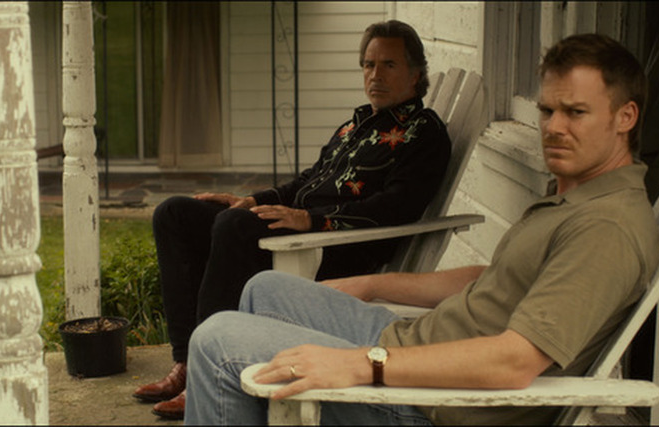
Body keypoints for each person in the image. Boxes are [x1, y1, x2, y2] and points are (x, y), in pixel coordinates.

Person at [184, 33, 659, 425]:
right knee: (266, 289)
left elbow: (515, 361)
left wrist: (360, 364)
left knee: (218, 342)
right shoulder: (577, 195)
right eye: (547, 110)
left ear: (626, 117)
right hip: (420, 343)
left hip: (436, 403)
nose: (554, 127)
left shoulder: (607, 228)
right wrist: (372, 284)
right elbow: (494, 279)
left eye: (575, 112)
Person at [134, 20, 452, 419]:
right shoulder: (354, 126)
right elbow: (308, 181)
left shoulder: (424, 133)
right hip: (301, 229)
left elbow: (395, 208)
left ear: (416, 74)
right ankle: (186, 361)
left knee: (234, 227)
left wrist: (311, 221)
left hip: (340, 247)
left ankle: (206, 370)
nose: (375, 75)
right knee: (176, 214)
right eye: (369, 65)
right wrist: (253, 200)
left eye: (389, 65)